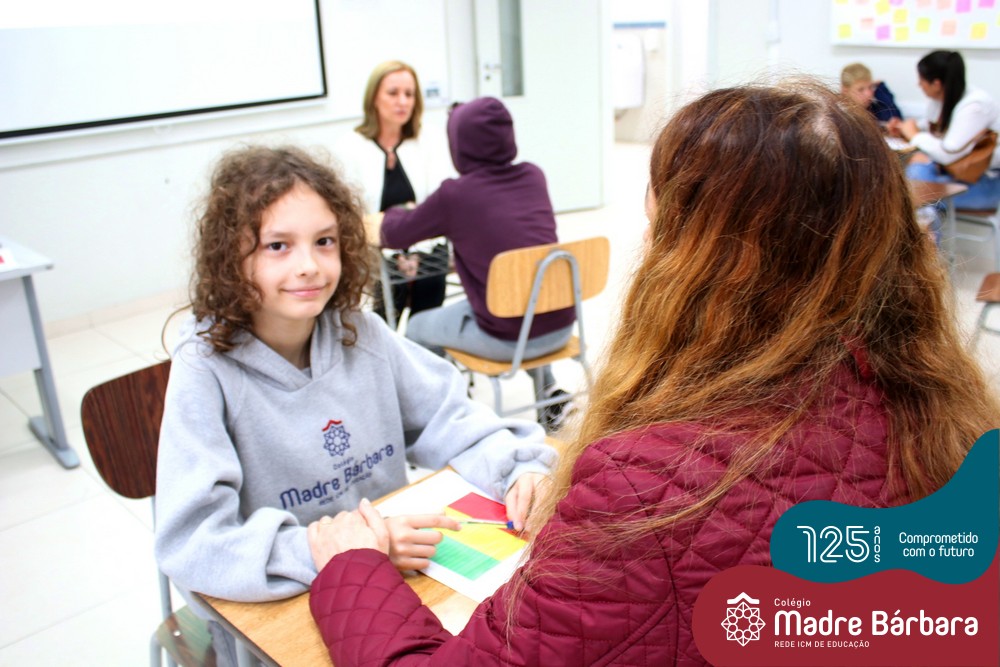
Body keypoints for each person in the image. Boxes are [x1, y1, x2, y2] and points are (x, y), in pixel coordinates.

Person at [305, 81, 1000, 665]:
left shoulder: (646, 486)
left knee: (424, 326)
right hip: (553, 322)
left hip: (497, 332)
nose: (647, 239)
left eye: (658, 222)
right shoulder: (948, 416)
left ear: (702, 259)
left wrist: (350, 565)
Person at [153, 145, 554, 665]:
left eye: (324, 241)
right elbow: (195, 543)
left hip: (391, 589)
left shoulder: (360, 333)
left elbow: (451, 416)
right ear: (232, 258)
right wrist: (345, 551)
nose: (309, 266)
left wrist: (519, 471)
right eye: (277, 246)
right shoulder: (205, 370)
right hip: (278, 616)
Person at [376, 96, 576, 430]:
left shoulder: (456, 195)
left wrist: (396, 211)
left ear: (458, 144)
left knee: (417, 327)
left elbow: (393, 234)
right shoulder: (533, 176)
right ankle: (549, 396)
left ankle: (441, 416)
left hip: (507, 340)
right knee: (527, 296)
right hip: (562, 326)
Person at [338, 60, 451, 328]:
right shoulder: (350, 146)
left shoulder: (430, 138)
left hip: (428, 244)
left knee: (426, 316)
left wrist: (415, 252)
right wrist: (397, 253)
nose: (403, 101)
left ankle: (422, 345)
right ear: (374, 98)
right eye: (393, 93)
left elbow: (440, 201)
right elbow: (352, 215)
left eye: (409, 94)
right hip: (375, 249)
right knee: (382, 318)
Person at [889, 50, 1000, 211]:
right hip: (953, 176)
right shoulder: (943, 98)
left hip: (986, 184)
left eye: (921, 80)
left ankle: (925, 224)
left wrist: (914, 134)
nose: (919, 85)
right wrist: (903, 128)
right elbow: (930, 126)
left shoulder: (975, 106)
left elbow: (948, 153)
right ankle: (925, 223)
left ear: (936, 84)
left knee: (916, 190)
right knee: (916, 179)